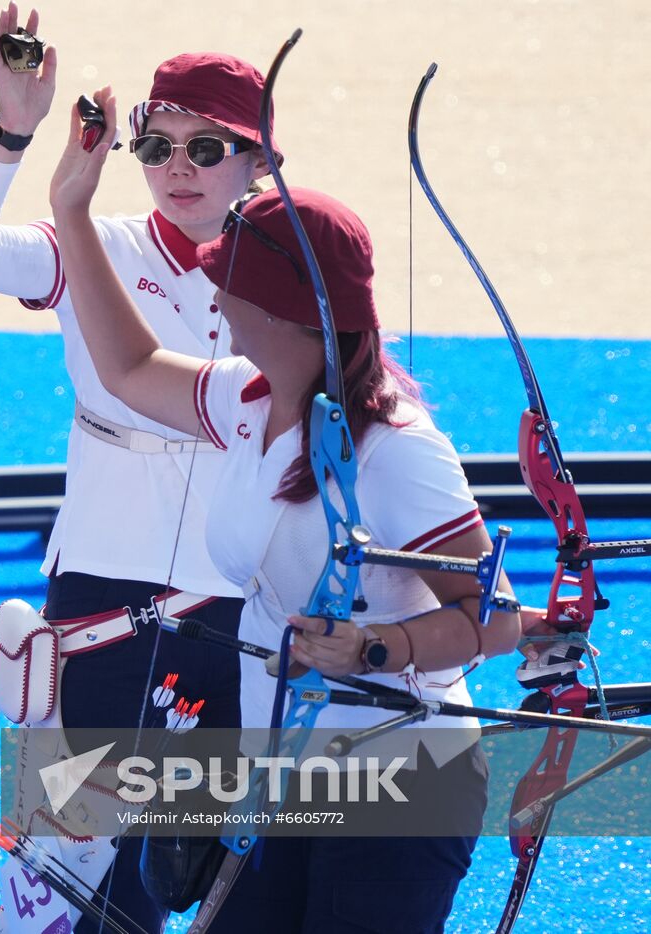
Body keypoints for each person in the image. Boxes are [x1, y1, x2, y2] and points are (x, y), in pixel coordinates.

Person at [47, 86, 526, 932]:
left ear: (283, 310)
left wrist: (378, 645)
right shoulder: (246, 399)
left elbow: (495, 621)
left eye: (226, 285)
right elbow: (125, 368)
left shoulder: (396, 449)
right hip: (280, 775)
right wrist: (71, 213)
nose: (213, 301)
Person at [0, 7, 276, 929]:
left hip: (232, 593)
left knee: (179, 865)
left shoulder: (295, 269)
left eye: (209, 147)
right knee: (59, 842)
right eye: (157, 144)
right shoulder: (99, 240)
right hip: (99, 575)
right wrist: (12, 134)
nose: (178, 166)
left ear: (262, 160)